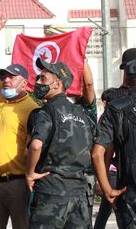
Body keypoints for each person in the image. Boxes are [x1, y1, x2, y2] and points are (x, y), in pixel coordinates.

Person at [0, 20, 39, 229]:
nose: (6, 80)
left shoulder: (32, 108)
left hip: (19, 184)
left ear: (25, 82)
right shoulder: (1, 97)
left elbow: (34, 146)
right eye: (4, 76)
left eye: (12, 77)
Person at [26, 58, 93, 228]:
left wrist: (30, 173)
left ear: (57, 84)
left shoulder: (48, 110)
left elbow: (35, 145)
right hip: (80, 193)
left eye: (43, 78)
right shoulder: (82, 113)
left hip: (52, 190)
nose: (38, 82)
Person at [92, 57, 136, 228]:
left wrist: (107, 189)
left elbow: (98, 153)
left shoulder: (115, 107)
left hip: (130, 194)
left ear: (126, 79)